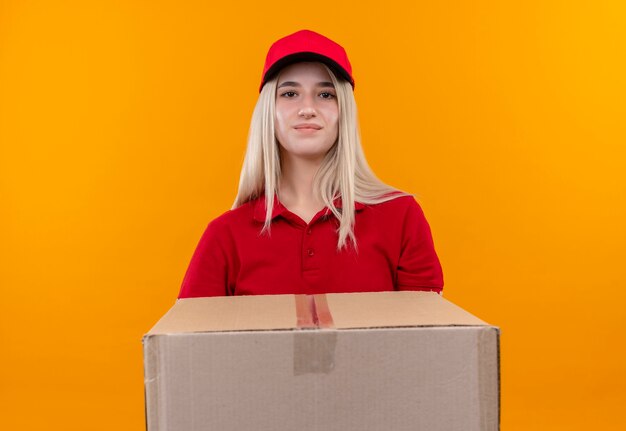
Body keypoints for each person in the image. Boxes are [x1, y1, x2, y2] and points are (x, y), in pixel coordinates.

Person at [178, 29, 443, 298]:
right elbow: (191, 339)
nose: (307, 108)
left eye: (326, 95)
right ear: (268, 111)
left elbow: (425, 335)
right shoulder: (225, 236)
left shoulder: (402, 217)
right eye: (290, 94)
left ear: (344, 113)